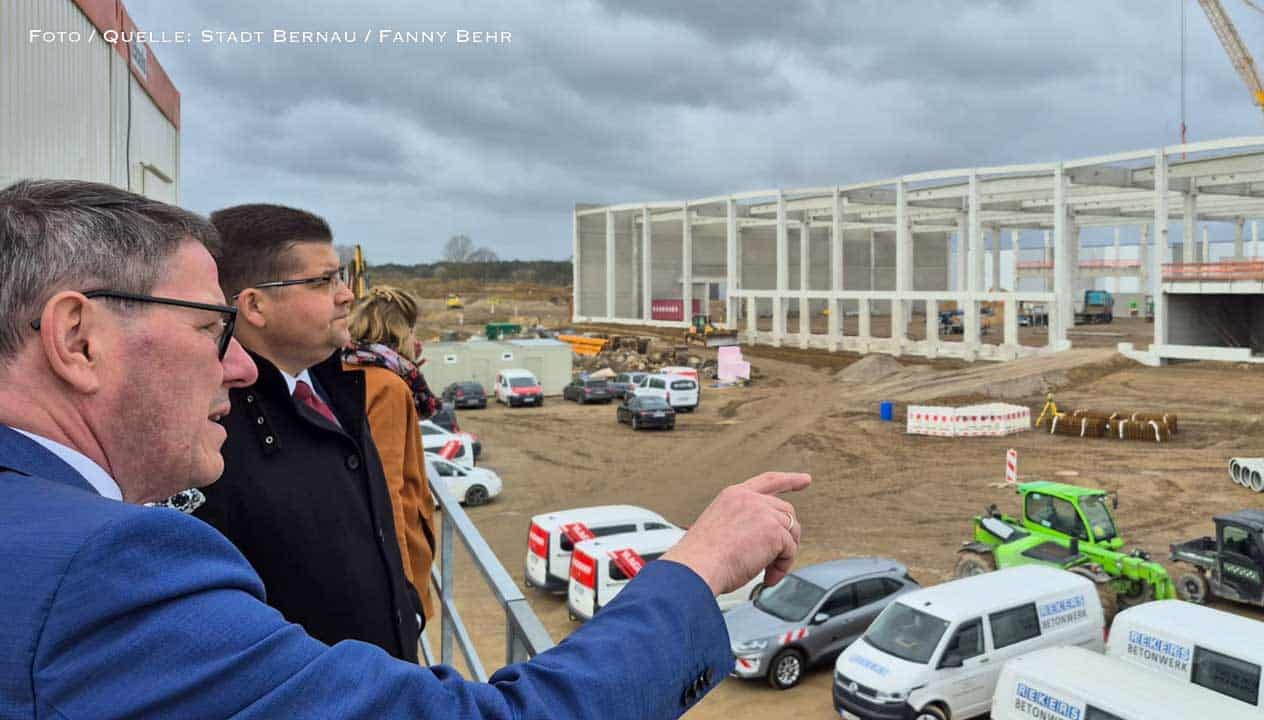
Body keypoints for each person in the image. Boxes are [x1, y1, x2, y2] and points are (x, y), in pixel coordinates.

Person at [0, 179, 810, 719]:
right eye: (211, 330)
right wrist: (696, 571)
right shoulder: (108, 574)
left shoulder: (352, 391)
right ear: (78, 338)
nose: (237, 364)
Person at [192, 204, 422, 661]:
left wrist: (406, 606)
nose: (347, 296)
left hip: (385, 681)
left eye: (342, 278)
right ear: (254, 305)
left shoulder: (338, 385)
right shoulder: (208, 430)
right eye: (324, 281)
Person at [343, 285, 438, 621]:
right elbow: (387, 491)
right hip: (396, 568)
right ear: (400, 332)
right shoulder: (388, 386)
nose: (417, 340)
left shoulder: (346, 370)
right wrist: (402, 589)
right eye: (413, 330)